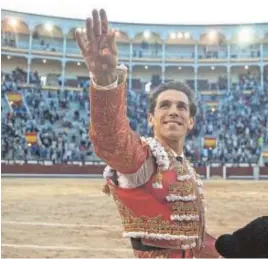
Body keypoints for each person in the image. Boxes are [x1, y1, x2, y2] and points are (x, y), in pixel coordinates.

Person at [75, 9, 218, 258]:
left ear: (191, 121)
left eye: (181, 107)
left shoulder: (186, 168)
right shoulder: (143, 159)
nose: (174, 112)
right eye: (164, 105)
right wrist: (104, 80)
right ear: (151, 118)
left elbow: (193, 241)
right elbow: (111, 140)